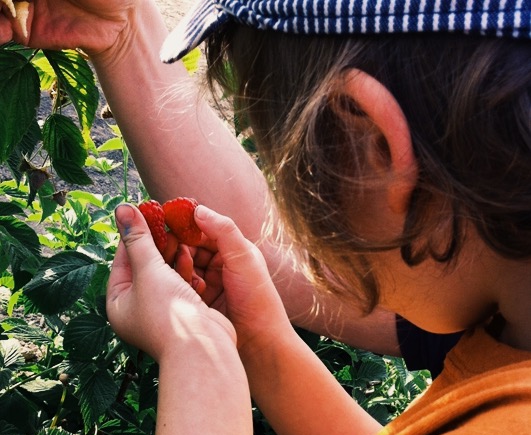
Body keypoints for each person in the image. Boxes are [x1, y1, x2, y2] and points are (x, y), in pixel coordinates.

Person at [2, 1, 530, 435]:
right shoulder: (509, 319)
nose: (296, 220)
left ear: (375, 139)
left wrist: (199, 357)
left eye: (286, 162)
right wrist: (261, 344)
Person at [0, 0, 462, 380]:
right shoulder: (492, 309)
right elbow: (281, 260)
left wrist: (192, 351)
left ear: (382, 141)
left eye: (302, 168)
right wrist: (124, 34)